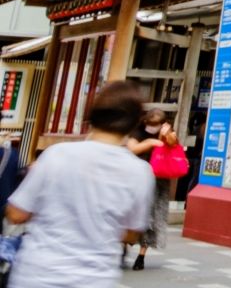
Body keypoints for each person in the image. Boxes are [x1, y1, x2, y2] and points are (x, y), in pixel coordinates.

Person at [6, 80, 165, 288]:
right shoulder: (141, 172)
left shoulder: (57, 155)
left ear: (92, 115)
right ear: (135, 122)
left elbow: (16, 214)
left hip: (38, 274)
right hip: (95, 279)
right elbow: (131, 233)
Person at [124, 108, 179, 271]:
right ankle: (124, 247)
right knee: (129, 213)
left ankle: (141, 255)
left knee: (151, 217)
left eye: (156, 124)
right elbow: (132, 148)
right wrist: (149, 143)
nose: (152, 127)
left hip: (157, 181)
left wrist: (165, 134)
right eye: (150, 124)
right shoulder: (138, 131)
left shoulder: (167, 132)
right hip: (136, 178)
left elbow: (172, 143)